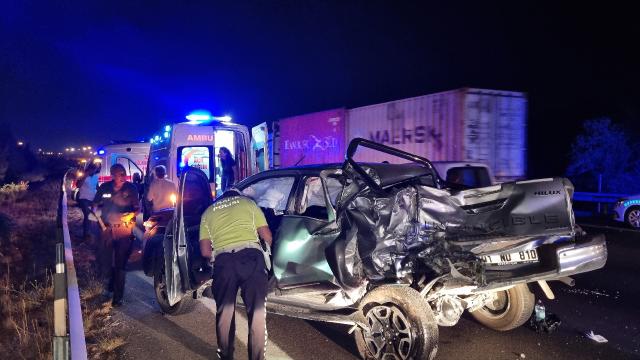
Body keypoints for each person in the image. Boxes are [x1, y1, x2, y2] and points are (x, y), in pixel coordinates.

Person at [199, 188, 272, 360]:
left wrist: (215, 259)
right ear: (238, 195)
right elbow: (267, 236)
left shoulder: (208, 212)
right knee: (257, 313)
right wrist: (266, 253)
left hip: (224, 262)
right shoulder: (249, 203)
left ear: (221, 198)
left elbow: (204, 251)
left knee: (225, 311)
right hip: (251, 258)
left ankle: (226, 355)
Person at [93, 164, 140, 307]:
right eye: (120, 174)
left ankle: (117, 298)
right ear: (113, 175)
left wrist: (130, 215)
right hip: (107, 230)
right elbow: (95, 205)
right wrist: (98, 216)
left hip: (124, 231)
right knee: (106, 262)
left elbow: (137, 208)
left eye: (124, 174)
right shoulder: (105, 188)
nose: (123, 176)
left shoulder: (131, 188)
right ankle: (109, 288)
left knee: (120, 264)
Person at [77, 162, 100, 239]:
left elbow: (97, 187)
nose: (93, 171)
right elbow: (78, 185)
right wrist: (84, 176)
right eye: (92, 169)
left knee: (91, 216)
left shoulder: (96, 177)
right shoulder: (84, 176)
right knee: (87, 215)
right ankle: (86, 234)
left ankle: (87, 233)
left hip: (92, 199)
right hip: (84, 199)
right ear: (89, 169)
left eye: (95, 169)